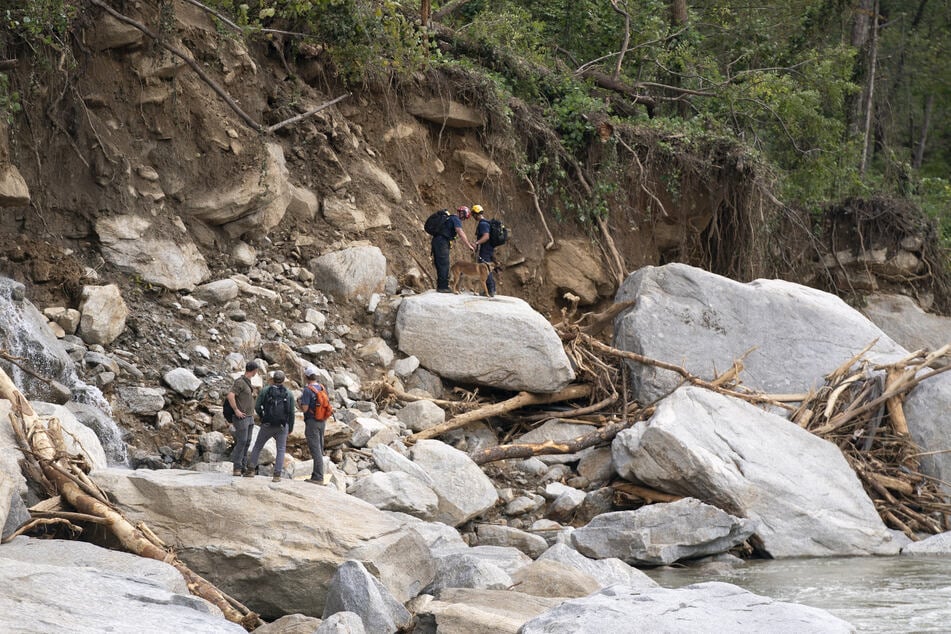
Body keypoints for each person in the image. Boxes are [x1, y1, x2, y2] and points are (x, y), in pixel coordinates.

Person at [245, 370, 294, 482]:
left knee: (258, 446)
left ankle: (251, 470)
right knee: (281, 449)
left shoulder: (266, 390)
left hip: (267, 424)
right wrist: (290, 427)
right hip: (282, 425)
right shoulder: (289, 393)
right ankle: (277, 475)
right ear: (283, 380)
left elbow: (257, 406)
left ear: (273, 379)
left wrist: (263, 417)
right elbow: (291, 413)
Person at [298, 366, 331, 485]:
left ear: (306, 377)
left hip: (312, 422)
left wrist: (299, 403)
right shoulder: (322, 387)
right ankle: (317, 474)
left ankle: (318, 477)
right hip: (322, 420)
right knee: (319, 447)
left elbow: (305, 409)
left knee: (315, 449)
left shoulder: (308, 390)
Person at [432, 205, 476, 293]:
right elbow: (460, 232)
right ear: (462, 214)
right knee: (444, 264)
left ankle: (441, 285)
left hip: (437, 240)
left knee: (439, 263)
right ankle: (443, 287)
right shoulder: (456, 219)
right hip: (442, 242)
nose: (463, 220)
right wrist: (468, 245)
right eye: (464, 217)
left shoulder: (450, 218)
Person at [227, 361, 258, 476]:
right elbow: (230, 395)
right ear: (253, 370)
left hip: (249, 417)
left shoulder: (248, 382)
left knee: (248, 441)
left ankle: (243, 466)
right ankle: (237, 468)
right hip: (241, 418)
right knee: (242, 441)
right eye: (256, 370)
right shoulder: (240, 382)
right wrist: (236, 410)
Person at [471, 204, 497, 297]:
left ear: (476, 214)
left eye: (473, 214)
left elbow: (486, 236)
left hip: (485, 250)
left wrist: (476, 243)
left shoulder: (483, 224)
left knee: (485, 269)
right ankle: (492, 289)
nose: (473, 216)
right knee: (487, 269)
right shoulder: (486, 222)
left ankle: (490, 290)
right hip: (489, 249)